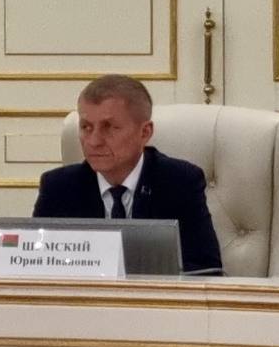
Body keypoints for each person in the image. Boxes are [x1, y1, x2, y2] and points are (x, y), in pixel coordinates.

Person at [33, 74, 222, 274]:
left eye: (109, 128)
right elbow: (34, 267)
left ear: (145, 132)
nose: (94, 141)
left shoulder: (180, 182)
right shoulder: (58, 187)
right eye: (86, 127)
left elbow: (206, 270)